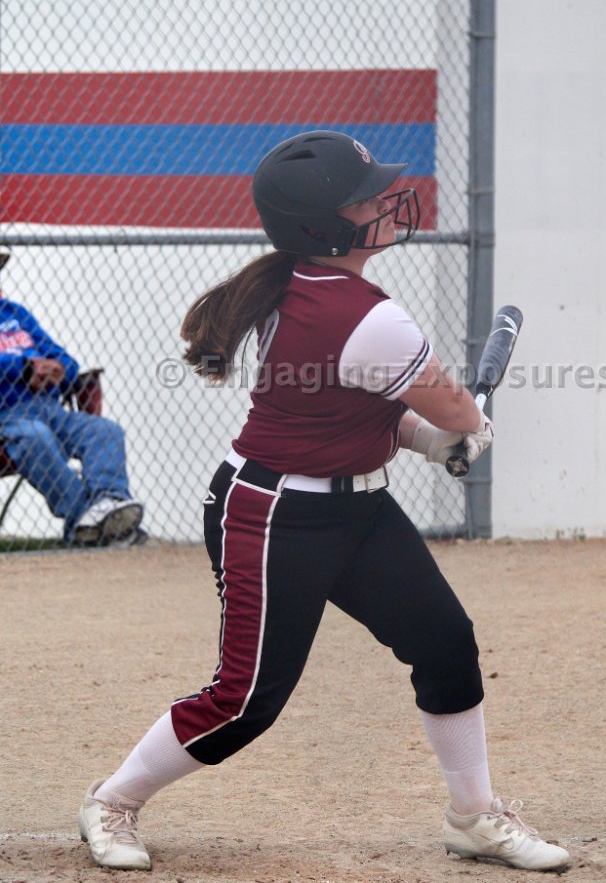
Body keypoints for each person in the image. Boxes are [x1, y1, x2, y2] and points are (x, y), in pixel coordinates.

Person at [77, 132, 569, 872]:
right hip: (273, 515)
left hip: (357, 509)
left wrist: (432, 440)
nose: (386, 203)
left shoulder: (303, 286)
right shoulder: (368, 317)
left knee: (444, 643)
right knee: (246, 700)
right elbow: (459, 410)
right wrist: (466, 427)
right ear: (322, 226)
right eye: (365, 198)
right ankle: (112, 800)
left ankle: (473, 815)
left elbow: (355, 411)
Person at [0, 249, 144, 547]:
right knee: (36, 438)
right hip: (8, 416)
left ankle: (108, 502)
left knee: (105, 432)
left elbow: (61, 356)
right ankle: (88, 520)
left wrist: (58, 369)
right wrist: (24, 369)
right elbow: (23, 366)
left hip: (51, 409)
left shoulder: (15, 313)